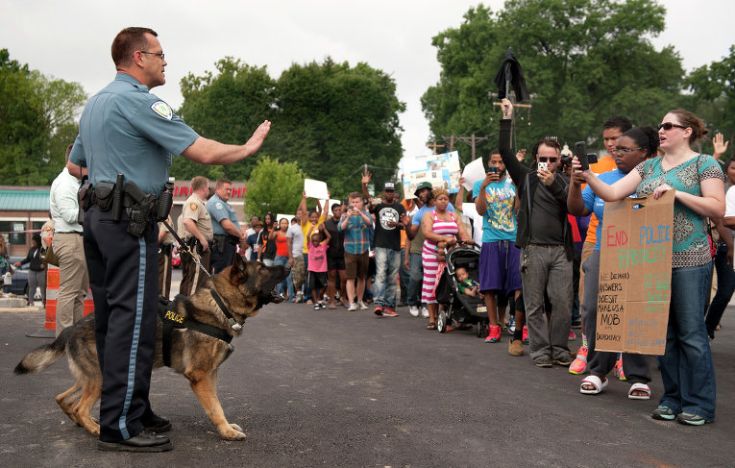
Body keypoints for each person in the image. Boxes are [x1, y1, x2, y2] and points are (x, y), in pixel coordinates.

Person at [69, 27, 270, 451]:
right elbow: (204, 152)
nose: (165, 61)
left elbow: (75, 167)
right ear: (138, 57)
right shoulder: (139, 101)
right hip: (129, 223)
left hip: (99, 219)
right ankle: (121, 425)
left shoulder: (95, 104)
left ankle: (133, 410)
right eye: (160, 54)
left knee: (114, 318)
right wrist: (247, 148)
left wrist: (116, 173)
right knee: (135, 320)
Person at [582, 108, 723, 426]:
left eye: (668, 126)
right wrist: (588, 177)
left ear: (687, 131)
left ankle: (699, 404)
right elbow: (614, 193)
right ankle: (672, 398)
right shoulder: (648, 167)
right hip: (654, 261)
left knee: (691, 333)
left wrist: (678, 194)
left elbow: (717, 207)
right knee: (667, 335)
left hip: (691, 259)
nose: (661, 130)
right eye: (660, 125)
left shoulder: (705, 164)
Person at [568, 126, 657, 398]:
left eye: (625, 150)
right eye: (616, 149)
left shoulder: (656, 179)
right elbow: (577, 209)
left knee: (634, 312)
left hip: (642, 254)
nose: (617, 154)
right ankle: (598, 371)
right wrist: (575, 181)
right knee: (595, 308)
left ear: (645, 153)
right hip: (605, 250)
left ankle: (638, 376)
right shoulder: (603, 178)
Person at [498, 98, 574, 368]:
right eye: (543, 159)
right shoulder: (526, 178)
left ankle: (561, 349)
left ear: (559, 161)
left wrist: (554, 184)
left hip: (561, 251)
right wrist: (507, 118)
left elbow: (572, 205)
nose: (548, 163)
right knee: (534, 304)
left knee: (563, 303)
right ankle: (541, 351)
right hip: (533, 249)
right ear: (535, 159)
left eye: (553, 159)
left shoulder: (565, 180)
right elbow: (504, 152)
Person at [571, 116, 633, 373]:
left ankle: (622, 355)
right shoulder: (597, 165)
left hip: (629, 245)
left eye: (616, 139)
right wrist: (575, 180)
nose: (610, 145)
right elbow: (580, 207)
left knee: (622, 301)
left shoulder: (641, 169)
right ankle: (587, 347)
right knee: (589, 302)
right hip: (596, 240)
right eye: (606, 139)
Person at [472, 150, 522, 347]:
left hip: (513, 239)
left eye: (501, 162)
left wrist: (518, 186)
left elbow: (517, 209)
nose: (497, 165)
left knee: (518, 286)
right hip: (492, 239)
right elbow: (481, 210)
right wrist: (484, 186)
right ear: (488, 164)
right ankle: (494, 327)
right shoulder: (480, 184)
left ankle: (519, 327)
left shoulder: (512, 183)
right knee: (490, 286)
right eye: (493, 162)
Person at [49, 149, 90, 336]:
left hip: (77, 239)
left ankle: (75, 336)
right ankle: (64, 338)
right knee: (69, 292)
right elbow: (69, 215)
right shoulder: (65, 184)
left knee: (79, 293)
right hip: (70, 238)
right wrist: (93, 209)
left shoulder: (75, 182)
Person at [421, 188, 472, 329]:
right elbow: (427, 233)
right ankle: (432, 317)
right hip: (432, 253)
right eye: (440, 199)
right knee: (432, 283)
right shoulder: (429, 215)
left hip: (451, 254)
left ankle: (450, 316)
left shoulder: (453, 215)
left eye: (445, 199)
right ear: (434, 201)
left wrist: (467, 240)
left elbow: (462, 232)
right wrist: (444, 238)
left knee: (451, 283)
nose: (443, 201)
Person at [369, 182, 407, 318]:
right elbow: (369, 199)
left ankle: (389, 306)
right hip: (380, 244)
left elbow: (405, 224)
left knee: (392, 277)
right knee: (380, 274)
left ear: (394, 192)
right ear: (384, 192)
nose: (389, 193)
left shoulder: (400, 207)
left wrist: (396, 224)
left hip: (395, 246)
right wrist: (364, 185)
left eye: (391, 191)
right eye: (387, 191)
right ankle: (379, 303)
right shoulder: (378, 206)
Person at [710, 158, 735, 338]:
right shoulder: (722, 189)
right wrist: (730, 246)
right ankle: (707, 329)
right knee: (725, 291)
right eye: (733, 168)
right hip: (725, 246)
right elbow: (722, 221)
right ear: (727, 170)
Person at [178, 176, 213, 297]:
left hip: (200, 247)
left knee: (198, 282)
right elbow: (188, 221)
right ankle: (190, 313)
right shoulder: (194, 202)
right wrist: (202, 238)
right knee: (196, 284)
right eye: (208, 187)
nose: (208, 190)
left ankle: (190, 311)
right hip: (198, 247)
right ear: (203, 188)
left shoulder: (198, 202)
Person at [339, 192, 374, 311]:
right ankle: (351, 302)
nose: (355, 204)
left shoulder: (366, 213)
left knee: (362, 277)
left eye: (357, 202)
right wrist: (348, 216)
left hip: (363, 248)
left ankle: (360, 301)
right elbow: (340, 228)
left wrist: (360, 213)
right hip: (350, 249)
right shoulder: (344, 215)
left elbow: (369, 223)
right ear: (349, 203)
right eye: (352, 202)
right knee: (350, 278)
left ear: (361, 202)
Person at [406, 182, 435, 319]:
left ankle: (425, 305)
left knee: (429, 279)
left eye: (424, 191)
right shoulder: (417, 215)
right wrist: (406, 256)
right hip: (417, 250)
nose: (422, 195)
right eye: (419, 193)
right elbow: (410, 237)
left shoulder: (443, 208)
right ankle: (412, 302)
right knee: (415, 277)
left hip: (436, 249)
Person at [297, 195, 329, 303]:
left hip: (320, 255)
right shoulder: (305, 224)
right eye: (312, 217)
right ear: (309, 218)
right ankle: (308, 297)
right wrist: (304, 198)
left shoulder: (320, 224)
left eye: (316, 217)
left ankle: (318, 297)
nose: (314, 218)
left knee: (319, 277)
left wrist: (327, 199)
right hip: (308, 253)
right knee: (309, 276)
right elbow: (304, 212)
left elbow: (324, 212)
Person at [207, 179, 243, 273]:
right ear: (218, 189)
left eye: (230, 190)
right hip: (221, 247)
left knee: (227, 275)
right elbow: (227, 226)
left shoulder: (223, 204)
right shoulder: (216, 203)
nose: (229, 192)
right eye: (226, 189)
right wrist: (241, 236)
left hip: (227, 245)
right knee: (222, 276)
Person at [324, 203, 347, 308]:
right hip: (331, 254)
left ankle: (343, 298)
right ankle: (332, 300)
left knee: (344, 278)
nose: (338, 211)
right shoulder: (327, 223)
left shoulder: (345, 222)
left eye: (339, 210)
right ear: (332, 211)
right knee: (331, 278)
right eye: (336, 210)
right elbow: (322, 238)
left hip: (343, 253)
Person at [15, 234, 47, 307]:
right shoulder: (31, 249)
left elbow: (46, 259)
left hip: (41, 271)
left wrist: (44, 264)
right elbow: (28, 259)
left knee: (42, 287)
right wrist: (20, 263)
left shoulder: (43, 249)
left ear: (37, 241)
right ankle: (30, 301)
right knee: (32, 287)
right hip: (32, 271)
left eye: (34, 241)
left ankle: (44, 302)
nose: (32, 242)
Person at [306, 224, 331, 310]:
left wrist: (324, 229)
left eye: (316, 241)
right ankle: (316, 302)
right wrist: (311, 228)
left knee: (324, 285)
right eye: (313, 241)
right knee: (313, 287)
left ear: (320, 240)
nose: (315, 242)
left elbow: (329, 237)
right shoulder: (310, 247)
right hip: (312, 270)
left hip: (322, 270)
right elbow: (307, 236)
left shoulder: (323, 246)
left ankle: (320, 298)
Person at [271, 218, 291, 296]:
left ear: (288, 224)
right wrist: (273, 228)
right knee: (279, 276)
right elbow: (270, 238)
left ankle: (290, 296)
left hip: (289, 257)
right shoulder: (277, 232)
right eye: (282, 223)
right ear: (279, 224)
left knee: (288, 278)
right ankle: (280, 294)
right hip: (279, 257)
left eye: (286, 223)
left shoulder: (290, 233)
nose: (284, 225)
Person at [157, 215, 175, 300]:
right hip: (163, 250)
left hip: (158, 250)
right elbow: (162, 234)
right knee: (163, 281)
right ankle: (162, 307)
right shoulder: (165, 215)